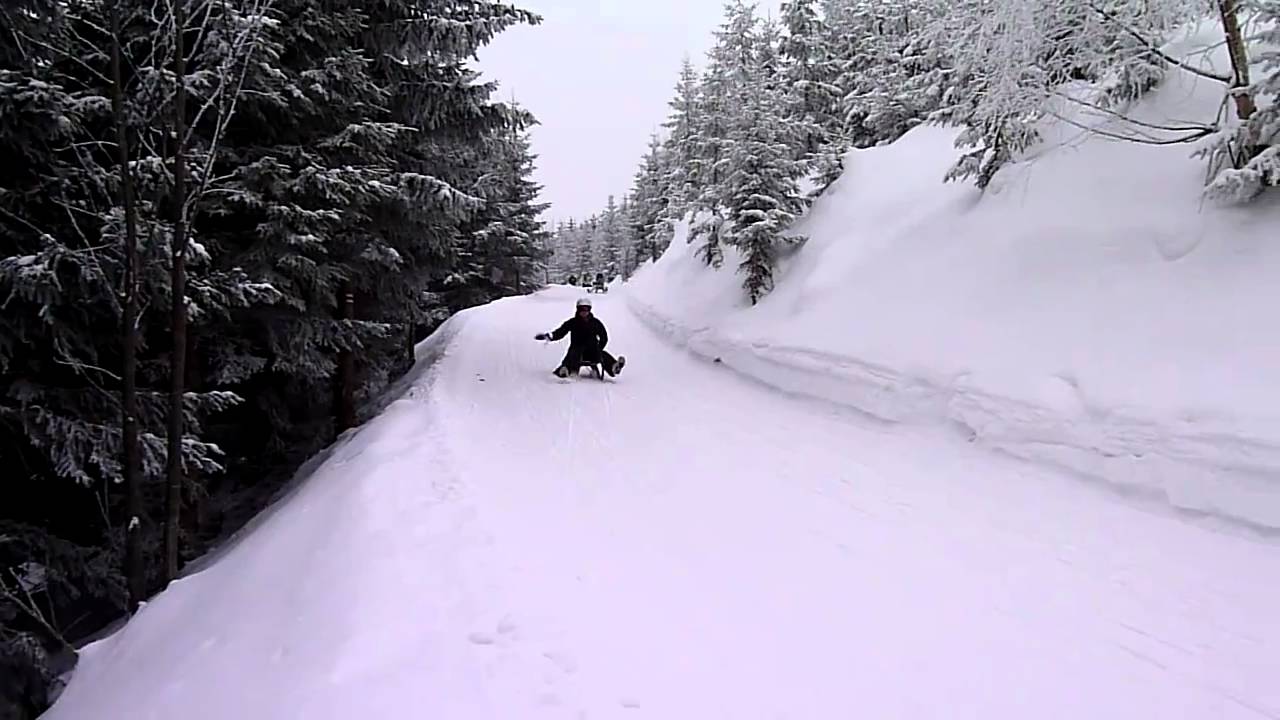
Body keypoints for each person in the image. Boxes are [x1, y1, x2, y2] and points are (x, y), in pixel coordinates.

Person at [535, 297, 626, 378]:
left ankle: (614, 366)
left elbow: (604, 337)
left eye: (586, 309)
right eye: (582, 309)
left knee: (602, 354)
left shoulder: (595, 323)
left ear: (589, 310)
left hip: (592, 350)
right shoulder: (572, 322)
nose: (584, 312)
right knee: (572, 354)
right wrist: (549, 336)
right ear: (578, 310)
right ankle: (565, 370)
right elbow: (560, 332)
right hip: (576, 349)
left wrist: (599, 347)